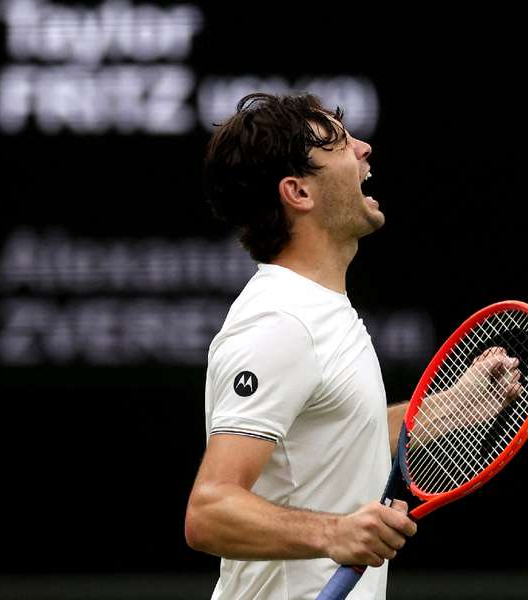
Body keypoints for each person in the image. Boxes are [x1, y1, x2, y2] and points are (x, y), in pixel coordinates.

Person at [184, 92, 417, 600]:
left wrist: (461, 405)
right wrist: (336, 533)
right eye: (339, 144)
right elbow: (209, 510)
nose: (364, 148)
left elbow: (341, 440)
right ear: (298, 192)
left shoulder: (317, 311)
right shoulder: (281, 321)